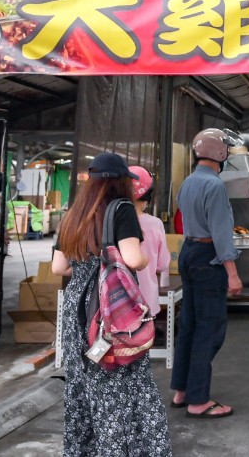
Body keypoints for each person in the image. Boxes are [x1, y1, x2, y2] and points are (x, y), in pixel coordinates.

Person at [51, 152, 172, 457]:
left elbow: (58, 267)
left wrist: (86, 265)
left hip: (77, 310)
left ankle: (86, 450)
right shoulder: (121, 210)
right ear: (120, 182)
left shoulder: (73, 213)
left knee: (84, 384)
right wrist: (144, 258)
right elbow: (132, 258)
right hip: (108, 309)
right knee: (122, 381)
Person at [170, 128, 242, 419]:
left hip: (188, 252)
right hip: (208, 256)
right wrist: (233, 274)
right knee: (209, 330)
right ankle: (198, 400)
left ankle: (182, 389)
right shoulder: (214, 186)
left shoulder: (188, 182)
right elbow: (221, 233)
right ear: (220, 154)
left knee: (189, 323)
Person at [128, 166, 171, 319]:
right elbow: (162, 264)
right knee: (143, 341)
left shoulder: (111, 221)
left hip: (117, 300)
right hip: (146, 298)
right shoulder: (155, 224)